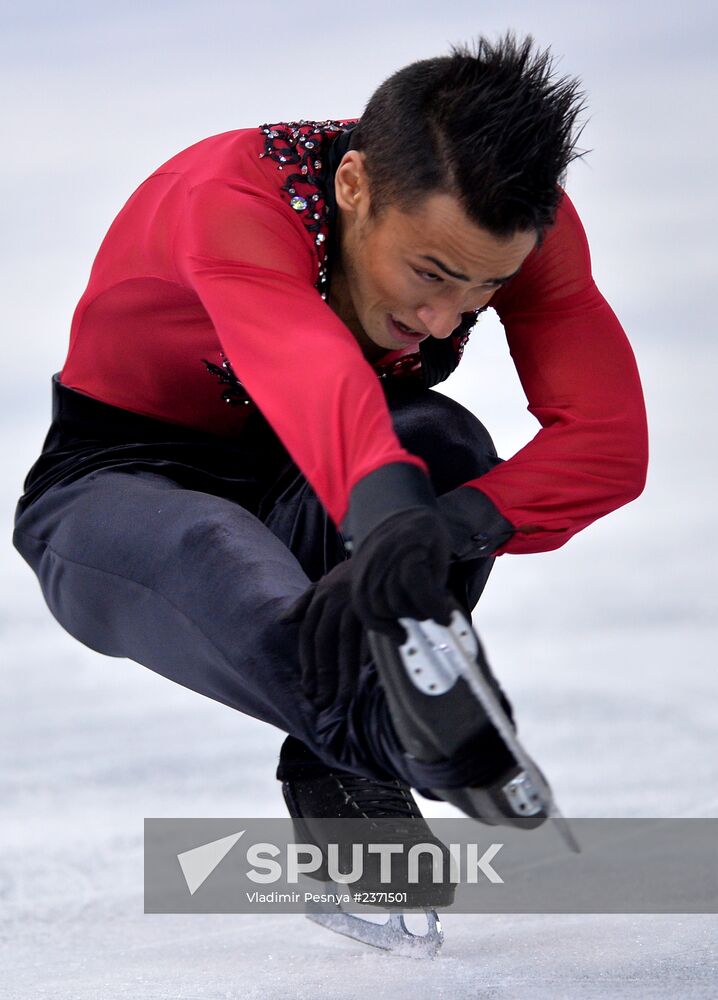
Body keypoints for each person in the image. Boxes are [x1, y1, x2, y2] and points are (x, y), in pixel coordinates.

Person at [12, 34, 647, 870]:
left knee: (445, 444)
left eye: (484, 289)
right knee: (217, 542)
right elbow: (308, 373)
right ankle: (393, 735)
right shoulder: (229, 196)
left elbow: (608, 442)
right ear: (353, 185)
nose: (446, 320)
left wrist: (448, 526)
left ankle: (337, 779)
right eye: (430, 273)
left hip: (320, 479)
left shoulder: (517, 228)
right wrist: (392, 524)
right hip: (114, 491)